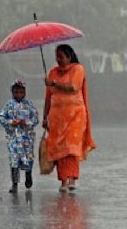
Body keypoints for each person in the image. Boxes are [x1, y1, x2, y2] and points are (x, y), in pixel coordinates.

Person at [43, 44, 96, 193]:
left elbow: (73, 87)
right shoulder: (52, 73)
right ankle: (63, 180)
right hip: (57, 118)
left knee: (71, 148)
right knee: (60, 149)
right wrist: (44, 117)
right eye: (56, 56)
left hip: (76, 116)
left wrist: (53, 83)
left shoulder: (78, 69)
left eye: (61, 56)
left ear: (69, 56)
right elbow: (48, 98)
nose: (58, 59)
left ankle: (72, 178)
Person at [0, 79, 39, 194]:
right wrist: (11, 122)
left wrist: (26, 123)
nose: (18, 95)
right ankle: (14, 183)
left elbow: (35, 119)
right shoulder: (8, 105)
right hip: (14, 138)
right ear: (12, 92)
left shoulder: (29, 105)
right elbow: (1, 118)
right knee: (14, 159)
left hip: (27, 138)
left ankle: (28, 174)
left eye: (21, 92)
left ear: (24, 92)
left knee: (28, 157)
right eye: (16, 92)